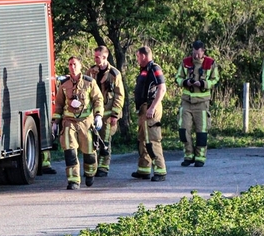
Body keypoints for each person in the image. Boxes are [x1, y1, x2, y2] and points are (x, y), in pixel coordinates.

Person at [52, 57, 104, 190]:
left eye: (74, 64)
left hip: (86, 122)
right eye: (70, 64)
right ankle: (73, 180)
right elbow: (58, 104)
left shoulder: (89, 82)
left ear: (80, 66)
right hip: (69, 122)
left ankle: (90, 173)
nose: (72, 67)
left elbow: (98, 99)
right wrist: (55, 122)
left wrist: (98, 116)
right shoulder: (64, 84)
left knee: (89, 152)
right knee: (70, 152)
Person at [176, 40, 220, 167]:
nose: (195, 56)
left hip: (202, 103)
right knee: (183, 129)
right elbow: (177, 77)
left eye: (198, 53)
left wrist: (203, 84)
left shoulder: (210, 63)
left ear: (203, 52)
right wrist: (185, 82)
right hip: (186, 102)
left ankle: (200, 157)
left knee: (201, 132)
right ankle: (188, 155)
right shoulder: (185, 62)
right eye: (194, 53)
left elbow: (215, 80)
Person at [131, 46, 168, 182]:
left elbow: (162, 88)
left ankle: (160, 170)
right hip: (143, 108)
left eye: (137, 56)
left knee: (152, 139)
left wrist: (153, 107)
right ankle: (144, 169)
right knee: (142, 139)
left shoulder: (154, 68)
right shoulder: (144, 70)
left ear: (144, 56)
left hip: (151, 107)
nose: (137, 59)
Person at [89, 46, 125, 177]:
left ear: (104, 57)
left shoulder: (114, 74)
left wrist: (115, 114)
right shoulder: (91, 72)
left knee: (105, 141)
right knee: (93, 141)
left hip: (109, 115)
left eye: (97, 57)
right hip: (94, 114)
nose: (95, 59)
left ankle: (103, 167)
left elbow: (119, 96)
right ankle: (93, 166)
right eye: (95, 57)